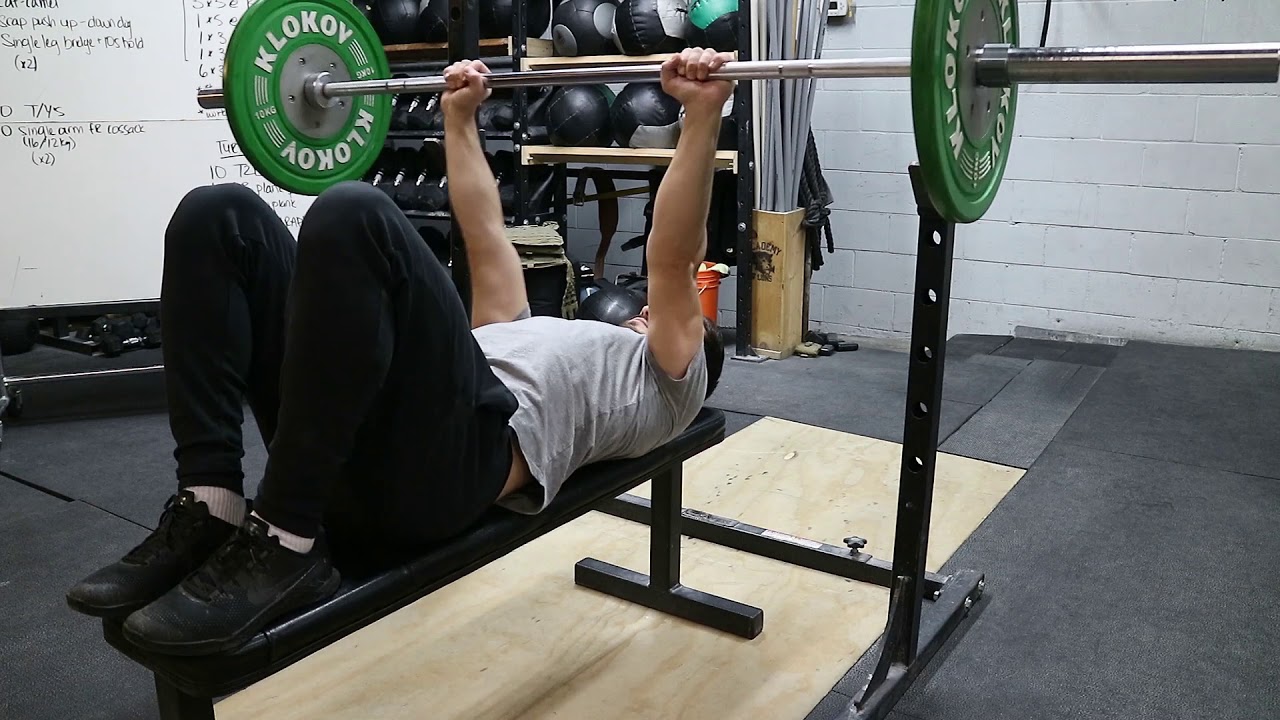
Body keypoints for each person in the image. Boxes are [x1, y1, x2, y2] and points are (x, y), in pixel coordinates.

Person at [65, 48, 732, 656]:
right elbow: (485, 229)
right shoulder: (534, 333)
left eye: (659, 317)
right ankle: (212, 507)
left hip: (444, 475)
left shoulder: (670, 381)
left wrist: (701, 116)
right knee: (218, 214)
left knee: (356, 214)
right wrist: (459, 116)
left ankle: (288, 541)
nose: (644, 310)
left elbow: (672, 259)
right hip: (351, 436)